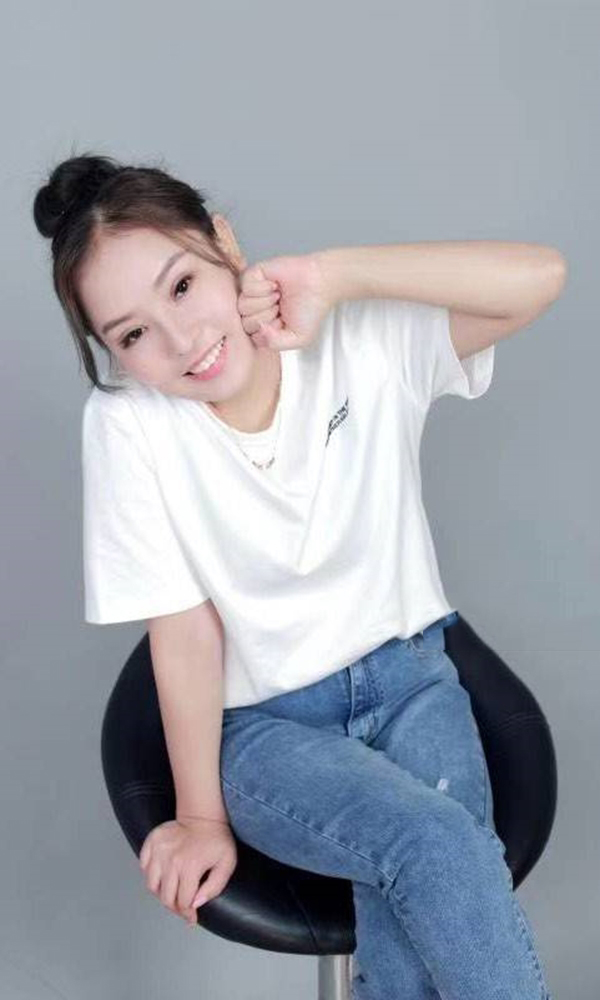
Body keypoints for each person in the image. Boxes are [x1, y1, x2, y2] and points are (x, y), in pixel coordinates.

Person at [32, 152, 555, 1000]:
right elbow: (184, 628)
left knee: (420, 916)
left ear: (224, 244)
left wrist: (336, 275)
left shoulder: (356, 340)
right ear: (113, 352)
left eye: (182, 286)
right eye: (132, 335)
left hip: (413, 685)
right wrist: (200, 816)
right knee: (436, 843)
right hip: (269, 730)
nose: (180, 341)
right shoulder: (128, 422)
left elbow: (539, 279)